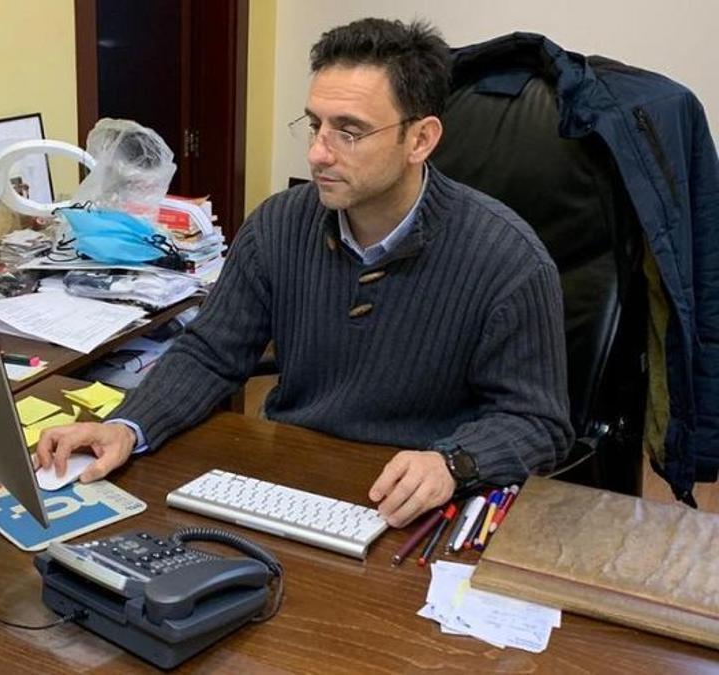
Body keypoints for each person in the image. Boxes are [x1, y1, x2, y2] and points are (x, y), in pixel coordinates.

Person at [35, 18, 573, 528]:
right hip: (290, 475)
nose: (318, 153)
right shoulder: (279, 224)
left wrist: (454, 463)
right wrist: (127, 427)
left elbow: (539, 424)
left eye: (349, 132)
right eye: (316, 125)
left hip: (417, 502)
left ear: (420, 139)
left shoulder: (508, 258)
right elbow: (210, 351)